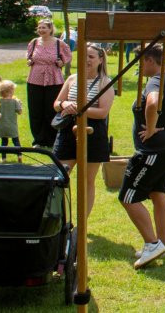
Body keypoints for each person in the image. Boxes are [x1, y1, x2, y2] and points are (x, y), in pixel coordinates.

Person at [120, 44, 165, 269]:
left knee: (128, 197)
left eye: (140, 62)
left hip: (155, 150)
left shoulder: (155, 81)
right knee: (158, 193)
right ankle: (163, 245)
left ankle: (152, 245)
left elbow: (152, 103)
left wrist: (152, 128)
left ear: (150, 60)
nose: (139, 67)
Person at [52, 43, 114, 217]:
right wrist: (65, 104)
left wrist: (80, 109)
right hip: (67, 131)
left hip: (92, 132)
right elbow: (57, 103)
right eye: (84, 56)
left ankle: (82, 222)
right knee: (59, 176)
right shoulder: (72, 78)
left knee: (87, 181)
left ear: (101, 60)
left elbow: (102, 113)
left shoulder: (105, 82)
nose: (86, 60)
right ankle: (59, 217)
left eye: (91, 57)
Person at [26, 19, 71, 149]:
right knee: (36, 110)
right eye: (39, 28)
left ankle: (52, 140)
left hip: (54, 79)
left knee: (51, 109)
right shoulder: (34, 42)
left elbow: (67, 57)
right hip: (35, 79)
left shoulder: (59, 44)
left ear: (51, 29)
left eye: (44, 28)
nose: (41, 30)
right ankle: (38, 140)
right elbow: (29, 56)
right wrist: (29, 61)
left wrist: (61, 63)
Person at [0, 80, 23, 162]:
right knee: (16, 141)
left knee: (4, 142)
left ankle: (4, 158)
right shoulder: (15, 101)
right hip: (12, 125)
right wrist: (20, 104)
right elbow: (19, 112)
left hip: (2, 126)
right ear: (10, 91)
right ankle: (19, 156)